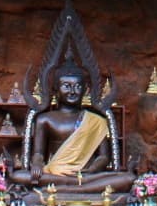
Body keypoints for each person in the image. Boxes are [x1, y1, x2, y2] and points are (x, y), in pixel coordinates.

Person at [9, 61, 134, 193]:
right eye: (66, 86)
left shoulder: (97, 121)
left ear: (85, 90)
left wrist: (91, 171)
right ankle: (78, 187)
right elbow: (39, 152)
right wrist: (37, 164)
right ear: (55, 89)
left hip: (87, 175)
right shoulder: (44, 119)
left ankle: (65, 188)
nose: (73, 91)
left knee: (128, 178)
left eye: (78, 86)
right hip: (56, 174)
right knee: (19, 176)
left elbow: (103, 157)